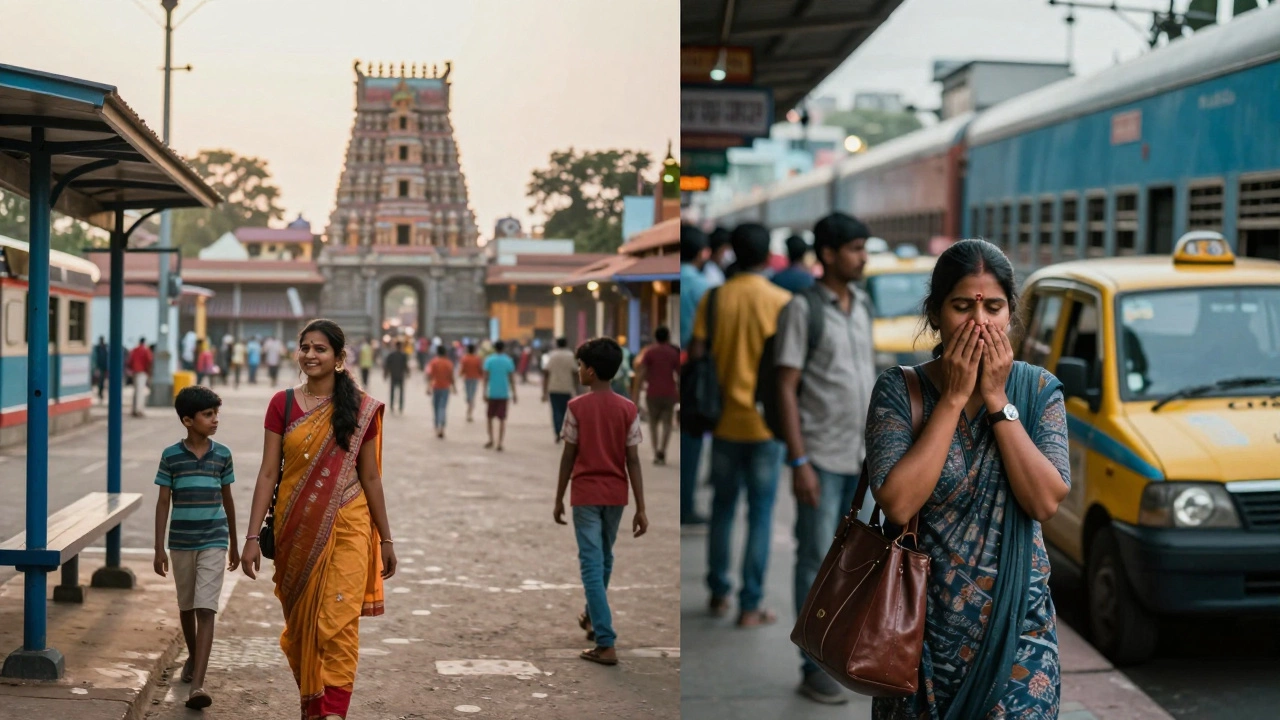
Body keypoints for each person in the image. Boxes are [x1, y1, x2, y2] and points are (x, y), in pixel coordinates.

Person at [866, 239, 1070, 720]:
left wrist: (998, 401)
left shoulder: (1038, 390)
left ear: (1010, 314)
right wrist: (955, 397)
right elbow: (897, 502)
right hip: (917, 631)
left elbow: (1045, 501)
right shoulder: (900, 391)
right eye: (962, 307)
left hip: (1018, 631)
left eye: (994, 307)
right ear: (935, 314)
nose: (980, 323)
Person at [240, 319, 397, 720]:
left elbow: (372, 477)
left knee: (337, 622)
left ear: (340, 358)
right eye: (305, 347)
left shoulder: (362, 409)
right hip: (296, 530)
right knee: (301, 632)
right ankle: (316, 706)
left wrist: (386, 539)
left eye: (320, 349)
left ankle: (333, 713)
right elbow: (267, 473)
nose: (310, 355)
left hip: (349, 526)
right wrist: (252, 535)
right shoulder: (283, 404)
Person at [774, 213, 876, 704]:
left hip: (859, 460)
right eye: (856, 248)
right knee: (814, 560)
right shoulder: (802, 310)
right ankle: (812, 667)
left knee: (851, 565)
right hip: (819, 457)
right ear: (829, 254)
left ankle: (838, 656)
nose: (863, 257)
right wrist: (798, 462)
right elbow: (785, 389)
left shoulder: (863, 307)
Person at [690, 222, 792, 627]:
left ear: (732, 252)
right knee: (761, 514)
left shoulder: (715, 299)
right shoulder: (782, 301)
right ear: (768, 256)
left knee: (722, 509)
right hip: (767, 426)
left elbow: (698, 350)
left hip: (724, 424)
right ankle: (751, 605)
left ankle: (718, 593)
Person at [552, 337, 648, 667]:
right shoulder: (628, 408)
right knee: (604, 558)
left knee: (591, 564)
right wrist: (641, 507)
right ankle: (592, 617)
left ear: (590, 372)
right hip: (616, 496)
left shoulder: (576, 408)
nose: (578, 370)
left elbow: (568, 456)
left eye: (580, 366)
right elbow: (632, 460)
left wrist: (559, 497)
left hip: (585, 494)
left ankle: (605, 641)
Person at [152, 385, 238, 710]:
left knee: (206, 608)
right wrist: (158, 548)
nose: (215, 420)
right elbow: (163, 502)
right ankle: (192, 657)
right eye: (208, 415)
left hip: (214, 538)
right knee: (186, 607)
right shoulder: (171, 456)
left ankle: (198, 684)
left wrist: (234, 543)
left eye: (216, 414)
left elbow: (227, 500)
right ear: (188, 420)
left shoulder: (223, 455)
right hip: (181, 542)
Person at [679, 225, 713, 525]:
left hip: (671, 365)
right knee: (691, 438)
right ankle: (685, 503)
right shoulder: (703, 288)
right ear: (702, 253)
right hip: (693, 368)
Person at [633, 326, 680, 465]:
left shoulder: (649, 352)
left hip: (652, 392)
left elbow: (641, 372)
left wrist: (636, 393)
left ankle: (655, 453)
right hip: (669, 392)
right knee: (667, 423)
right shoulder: (673, 353)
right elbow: (679, 373)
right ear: (668, 337)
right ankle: (663, 449)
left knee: (653, 423)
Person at [482, 340, 518, 451]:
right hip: (504, 393)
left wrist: (484, 392)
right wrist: (514, 393)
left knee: (489, 418)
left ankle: (491, 439)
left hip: (492, 393)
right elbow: (512, 379)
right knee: (502, 419)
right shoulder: (508, 361)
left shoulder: (489, 360)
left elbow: (485, 378)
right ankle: (499, 443)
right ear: (504, 348)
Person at [542, 337, 578, 442]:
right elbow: (575, 372)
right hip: (567, 388)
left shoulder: (552, 356)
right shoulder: (571, 356)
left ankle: (557, 432)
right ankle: (564, 432)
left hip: (554, 388)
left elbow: (546, 373)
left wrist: (544, 392)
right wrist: (575, 387)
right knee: (565, 411)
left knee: (556, 411)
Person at [425, 345, 457, 439]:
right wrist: (454, 387)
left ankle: (436, 426)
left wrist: (428, 387)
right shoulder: (449, 363)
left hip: (436, 387)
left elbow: (430, 376)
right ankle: (442, 428)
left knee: (435, 407)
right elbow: (451, 377)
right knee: (442, 407)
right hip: (445, 388)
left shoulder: (434, 362)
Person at [128, 337, 154, 418]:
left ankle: (134, 409)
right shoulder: (146, 350)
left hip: (135, 372)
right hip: (142, 372)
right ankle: (139, 410)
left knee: (136, 392)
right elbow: (149, 361)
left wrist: (132, 368)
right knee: (140, 392)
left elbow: (130, 361)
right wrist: (149, 372)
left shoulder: (135, 350)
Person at [460, 344, 484, 423]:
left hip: (467, 379)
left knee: (468, 395)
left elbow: (462, 369)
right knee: (472, 396)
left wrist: (460, 374)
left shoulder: (464, 358)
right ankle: (470, 412)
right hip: (475, 379)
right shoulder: (477, 359)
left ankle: (469, 411)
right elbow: (480, 369)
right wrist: (482, 376)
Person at [383, 341, 409, 414]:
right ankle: (400, 406)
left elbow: (387, 365)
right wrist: (408, 372)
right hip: (400, 376)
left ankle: (392, 406)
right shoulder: (403, 355)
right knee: (400, 392)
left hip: (394, 376)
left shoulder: (392, 355)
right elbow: (405, 365)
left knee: (393, 391)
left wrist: (385, 374)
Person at [93, 336, 109, 402]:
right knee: (100, 382)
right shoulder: (98, 348)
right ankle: (100, 394)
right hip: (100, 367)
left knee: (102, 382)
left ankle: (101, 393)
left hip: (103, 367)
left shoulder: (104, 348)